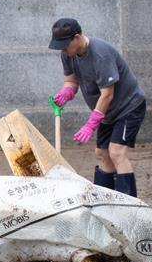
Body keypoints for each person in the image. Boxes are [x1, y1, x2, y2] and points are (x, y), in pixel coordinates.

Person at [49, 18, 146, 197]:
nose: (63, 50)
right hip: (107, 112)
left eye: (64, 45)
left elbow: (107, 94)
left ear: (77, 37)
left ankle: (130, 206)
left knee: (116, 152)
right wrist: (66, 93)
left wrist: (91, 124)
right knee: (102, 153)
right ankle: (105, 201)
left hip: (128, 106)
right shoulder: (68, 54)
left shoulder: (101, 55)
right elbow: (71, 81)